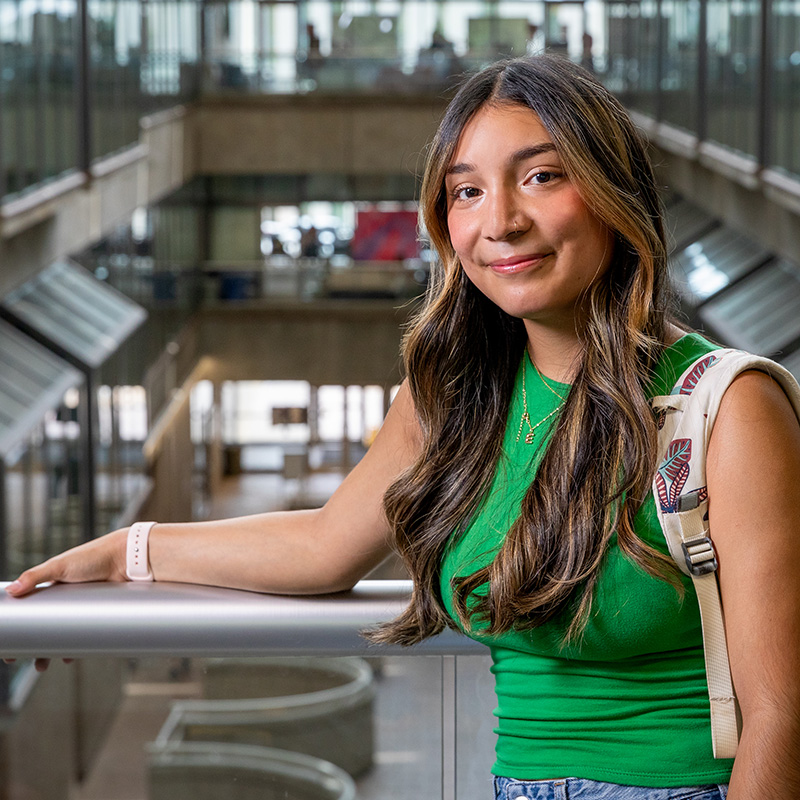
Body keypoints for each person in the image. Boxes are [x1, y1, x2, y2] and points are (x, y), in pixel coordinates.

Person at [6, 56, 800, 799]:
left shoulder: (728, 408)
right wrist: (127, 551)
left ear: (614, 192)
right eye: (467, 192)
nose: (503, 222)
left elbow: (781, 714)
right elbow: (322, 546)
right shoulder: (454, 401)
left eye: (542, 177)